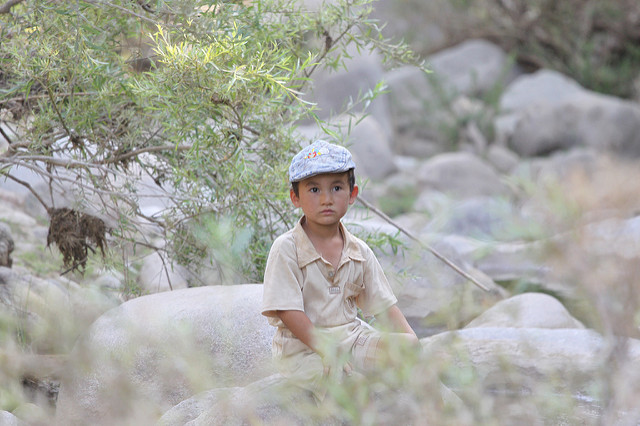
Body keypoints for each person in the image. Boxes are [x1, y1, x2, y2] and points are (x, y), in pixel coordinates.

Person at [261, 139, 418, 400]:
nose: (326, 199)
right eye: (314, 190)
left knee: (407, 348)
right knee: (343, 382)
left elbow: (383, 306)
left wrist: (411, 343)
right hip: (303, 349)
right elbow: (288, 310)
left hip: (352, 340)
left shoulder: (359, 252)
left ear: (352, 194)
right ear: (295, 197)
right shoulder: (287, 248)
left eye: (336, 188)